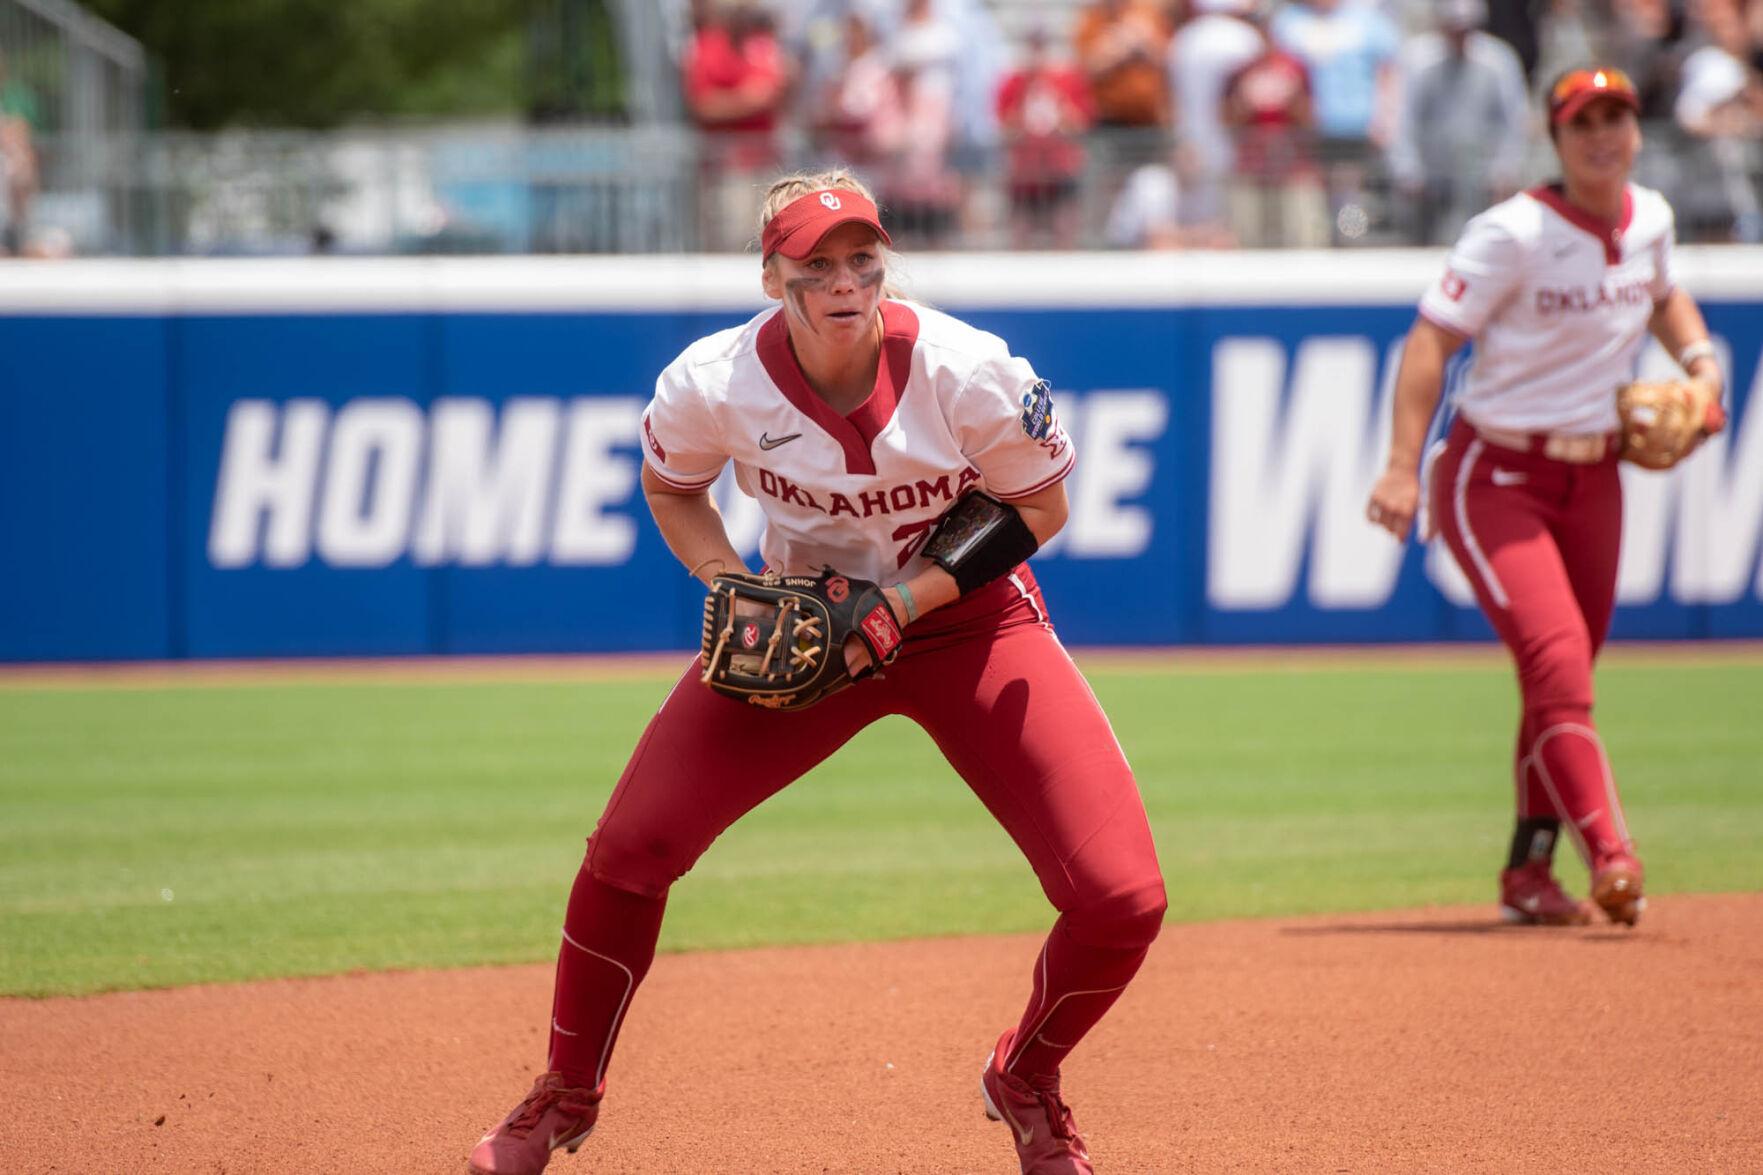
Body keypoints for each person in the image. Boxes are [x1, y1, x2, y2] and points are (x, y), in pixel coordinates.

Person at [468, 169, 1168, 1175]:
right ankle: (563, 1092)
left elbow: (1040, 507)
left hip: (966, 623)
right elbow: (671, 488)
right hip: (804, 633)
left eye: (861, 260)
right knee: (628, 849)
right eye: (816, 264)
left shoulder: (965, 368)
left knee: (1121, 898)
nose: (843, 282)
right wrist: (728, 582)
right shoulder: (713, 381)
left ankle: (1025, 1075)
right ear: (772, 277)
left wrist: (901, 603)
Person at [1364, 68, 1726, 928]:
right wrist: (1401, 466)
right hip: (1495, 475)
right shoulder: (1512, 232)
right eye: (1582, 123)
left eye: (1615, 118)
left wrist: (1701, 365)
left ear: (1636, 130)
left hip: (1594, 475)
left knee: (1559, 674)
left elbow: (1663, 295)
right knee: (1557, 661)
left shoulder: (1650, 218)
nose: (1601, 136)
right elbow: (1429, 343)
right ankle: (1613, 854)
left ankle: (1528, 868)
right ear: (1554, 139)